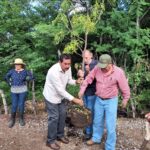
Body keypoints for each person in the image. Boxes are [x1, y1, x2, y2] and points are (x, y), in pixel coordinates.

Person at [78, 54, 130, 150]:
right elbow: (88, 79)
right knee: (97, 121)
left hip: (111, 101)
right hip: (99, 99)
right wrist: (82, 90)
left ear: (110, 64)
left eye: (104, 66)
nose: (101, 68)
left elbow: (125, 87)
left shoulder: (118, 72)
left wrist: (125, 99)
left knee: (110, 126)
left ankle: (110, 146)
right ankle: (96, 138)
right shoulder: (97, 68)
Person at [43, 53, 83, 150]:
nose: (68, 66)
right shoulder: (53, 71)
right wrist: (75, 100)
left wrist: (75, 82)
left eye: (69, 64)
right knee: (54, 117)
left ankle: (60, 135)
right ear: (60, 62)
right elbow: (60, 90)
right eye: (65, 64)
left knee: (63, 115)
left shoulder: (68, 68)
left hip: (61, 97)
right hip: (51, 97)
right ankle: (50, 141)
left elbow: (68, 80)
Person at [5, 58, 33, 128]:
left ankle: (21, 119)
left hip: (22, 90)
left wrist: (27, 79)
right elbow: (6, 77)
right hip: (14, 90)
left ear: (21, 65)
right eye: (15, 64)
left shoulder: (25, 71)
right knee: (14, 105)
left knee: (21, 104)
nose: (16, 66)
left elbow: (32, 77)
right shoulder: (12, 71)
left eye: (18, 64)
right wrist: (9, 83)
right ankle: (12, 119)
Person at [78, 50, 98, 140]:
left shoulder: (96, 65)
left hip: (92, 93)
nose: (85, 59)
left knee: (90, 113)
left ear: (91, 56)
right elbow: (84, 80)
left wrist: (88, 71)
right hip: (85, 92)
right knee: (86, 111)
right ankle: (87, 129)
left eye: (86, 57)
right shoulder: (85, 66)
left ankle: (90, 133)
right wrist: (80, 76)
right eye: (83, 58)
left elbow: (95, 79)